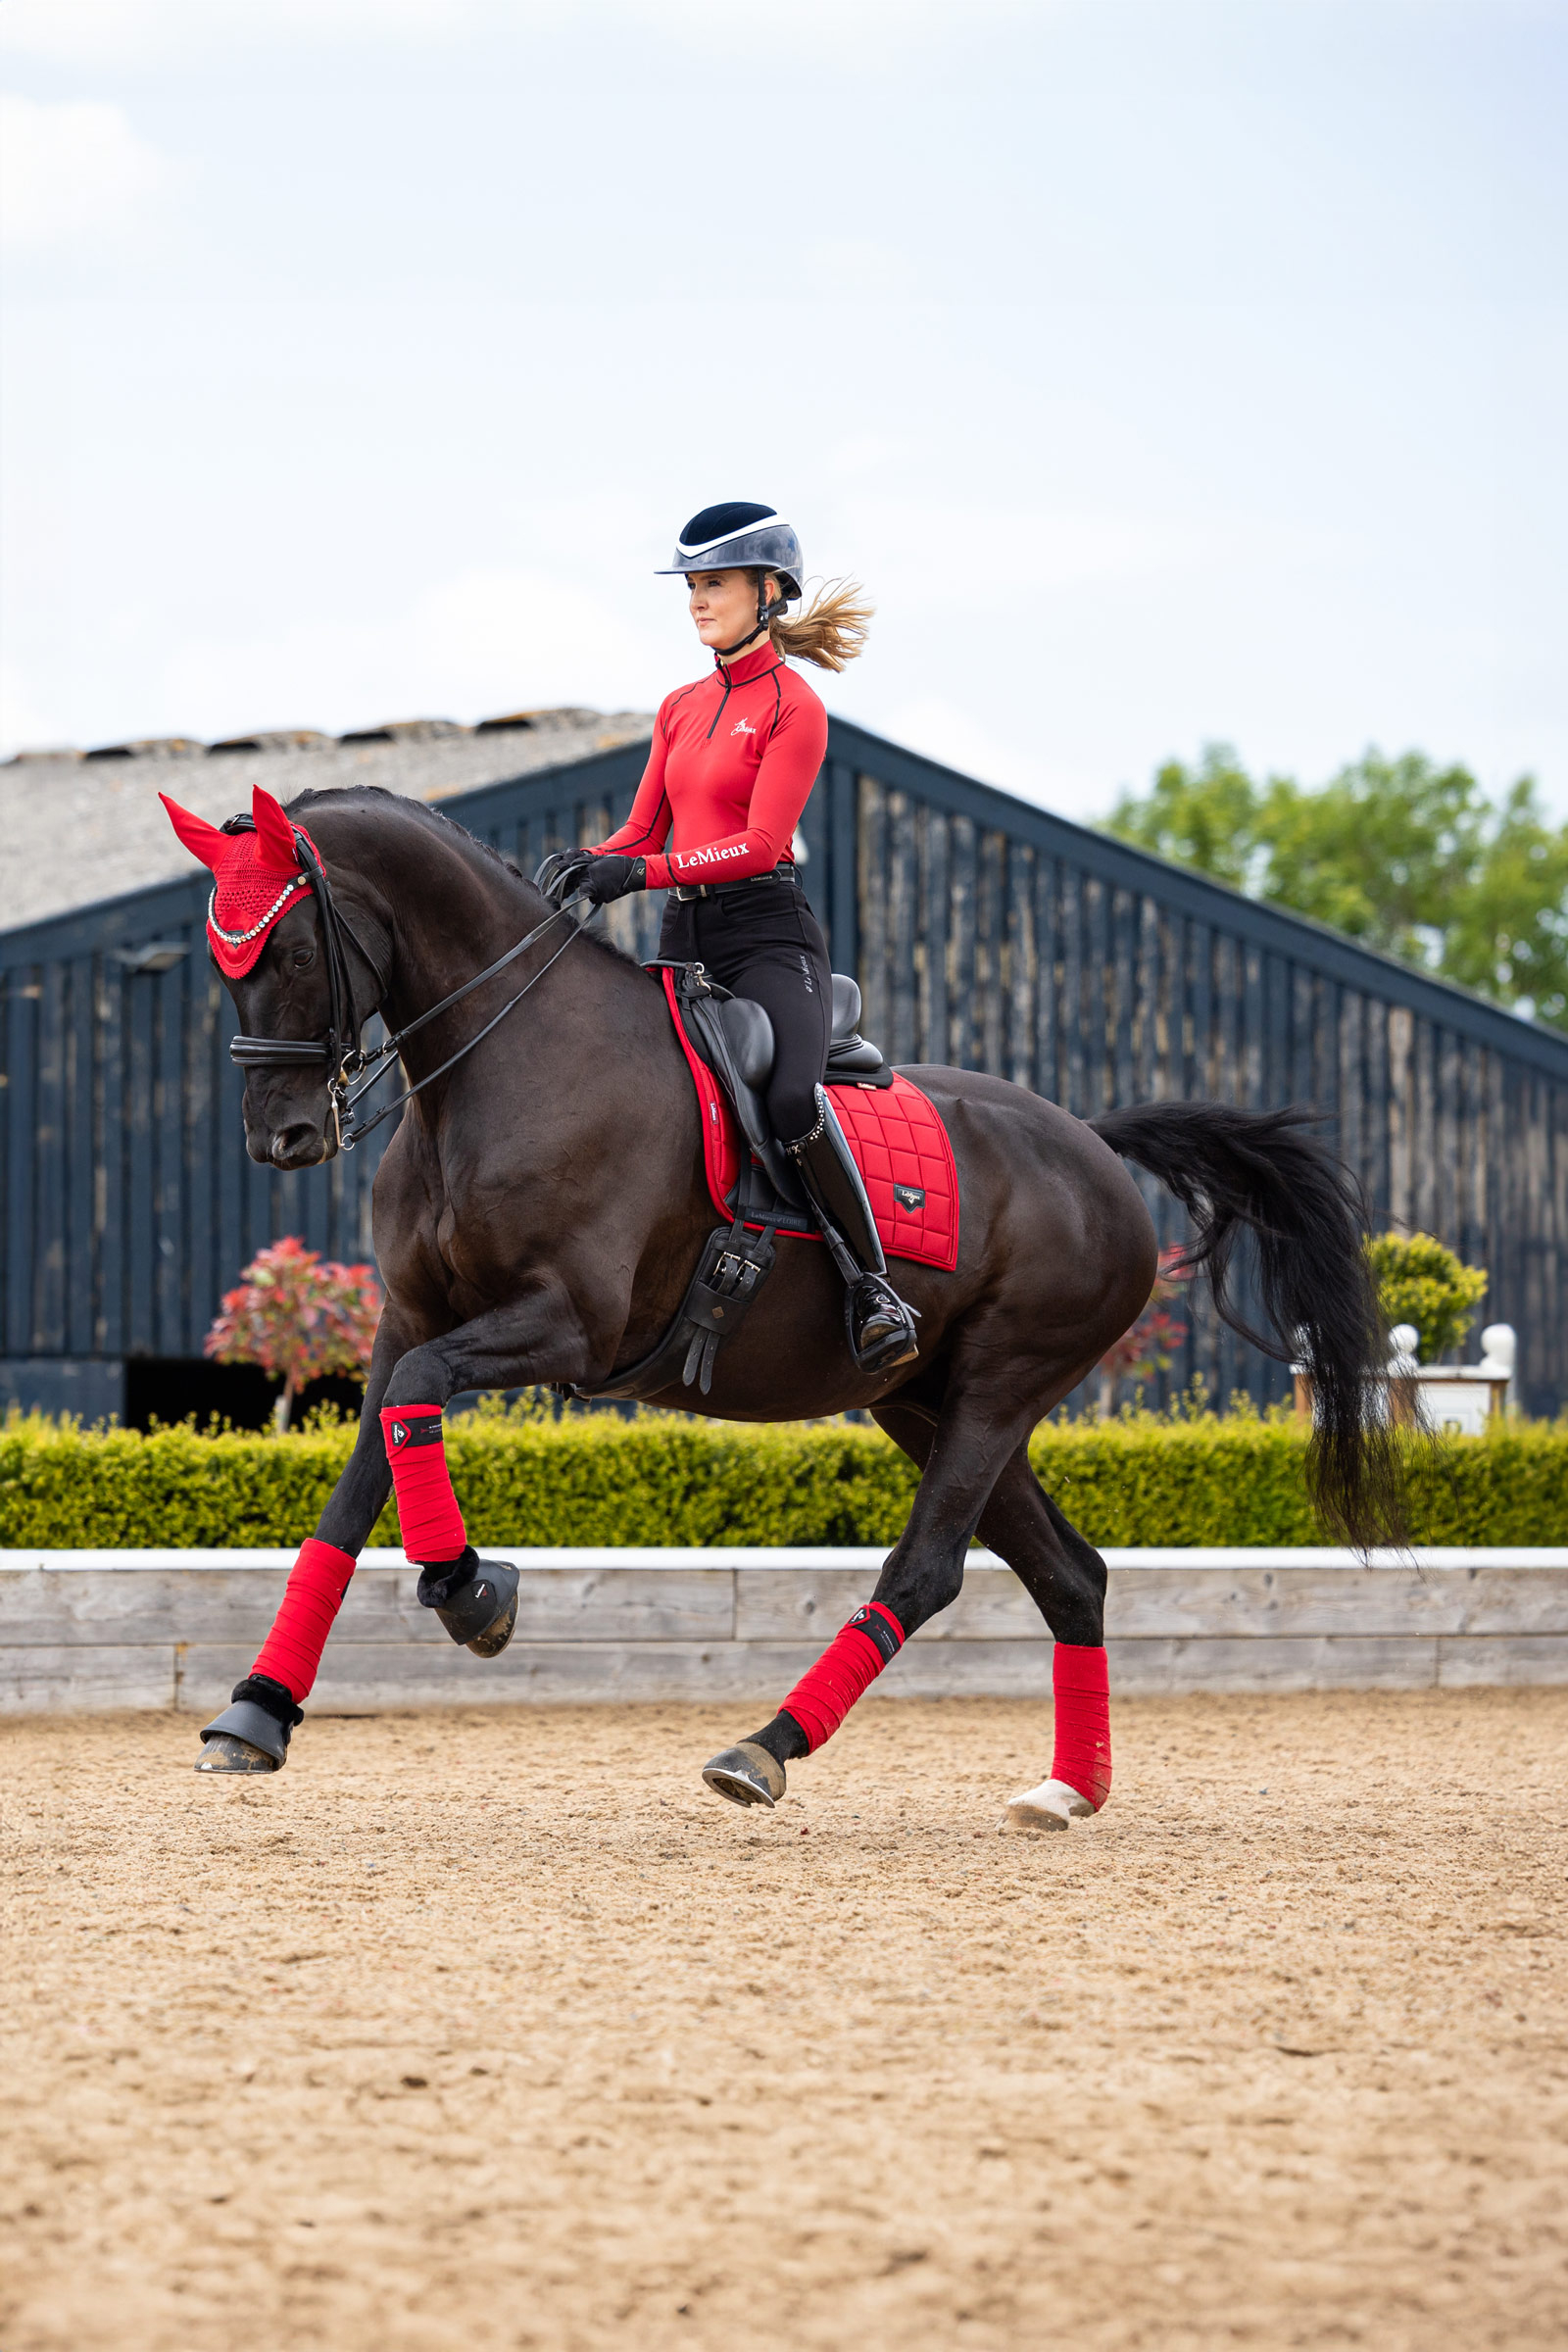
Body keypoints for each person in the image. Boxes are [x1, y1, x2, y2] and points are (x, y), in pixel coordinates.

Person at [540, 501, 919, 1374]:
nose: (697, 602)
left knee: (788, 1100)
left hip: (767, 935)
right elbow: (643, 830)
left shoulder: (797, 706)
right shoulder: (680, 706)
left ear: (769, 591)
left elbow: (753, 845)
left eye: (714, 585)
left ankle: (871, 1287)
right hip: (686, 930)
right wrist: (584, 862)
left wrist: (638, 874)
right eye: (692, 587)